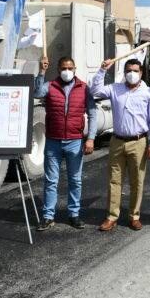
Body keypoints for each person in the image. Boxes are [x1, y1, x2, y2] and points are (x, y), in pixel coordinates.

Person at [89, 57, 150, 231]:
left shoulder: (149, 93)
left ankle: (134, 216)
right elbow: (94, 90)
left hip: (139, 142)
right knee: (114, 181)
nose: (132, 74)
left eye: (135, 71)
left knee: (137, 181)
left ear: (141, 72)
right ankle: (112, 216)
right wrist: (102, 69)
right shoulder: (115, 89)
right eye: (128, 70)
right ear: (124, 72)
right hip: (117, 141)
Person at [34, 56, 97, 231]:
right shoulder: (50, 86)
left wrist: (90, 138)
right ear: (58, 70)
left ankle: (73, 214)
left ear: (75, 69)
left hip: (75, 142)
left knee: (75, 180)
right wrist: (41, 72)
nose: (67, 71)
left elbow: (92, 114)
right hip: (53, 142)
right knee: (50, 181)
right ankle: (48, 216)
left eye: (70, 68)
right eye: (63, 68)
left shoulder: (83, 88)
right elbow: (37, 93)